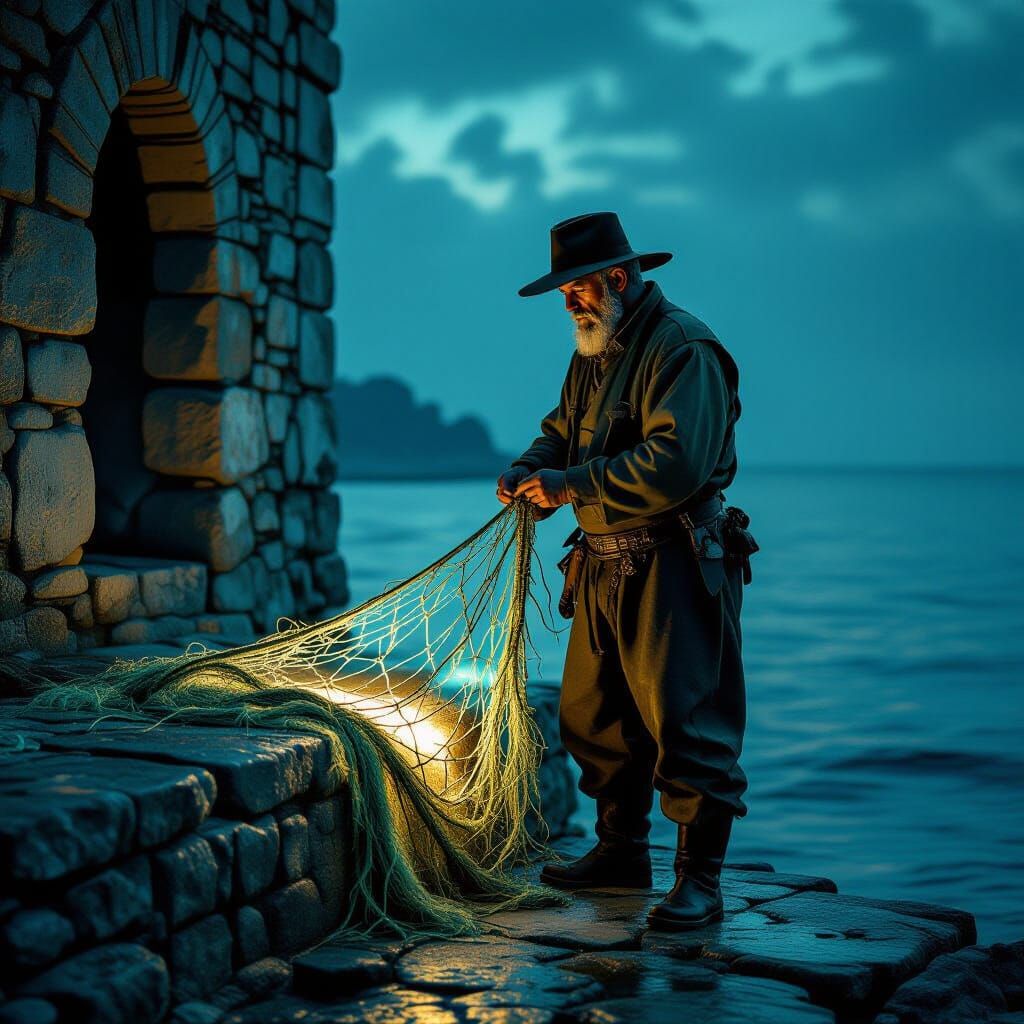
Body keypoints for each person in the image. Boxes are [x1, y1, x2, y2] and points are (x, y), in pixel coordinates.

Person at [497, 211, 757, 931]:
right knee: (595, 717)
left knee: (689, 724)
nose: (567, 304)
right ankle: (621, 854)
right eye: (563, 294)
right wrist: (532, 468)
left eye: (574, 290)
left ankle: (699, 882)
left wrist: (572, 485)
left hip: (675, 565)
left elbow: (676, 465)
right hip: (602, 566)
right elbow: (562, 429)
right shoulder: (595, 347)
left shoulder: (684, 347)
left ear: (616, 278)